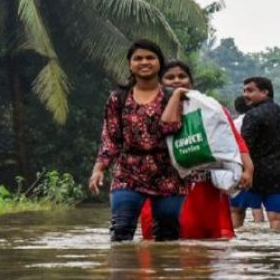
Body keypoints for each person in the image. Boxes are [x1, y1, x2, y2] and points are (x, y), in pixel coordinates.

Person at [139, 60, 254, 239]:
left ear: (191, 82)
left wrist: (248, 169)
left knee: (203, 243)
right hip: (162, 185)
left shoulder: (211, 109)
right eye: (170, 77)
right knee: (160, 239)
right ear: (160, 83)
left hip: (202, 187)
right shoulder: (148, 110)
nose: (177, 80)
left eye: (182, 76)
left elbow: (233, 140)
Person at [88, 39, 188, 242]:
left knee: (167, 234)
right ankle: (123, 273)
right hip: (128, 172)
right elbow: (110, 137)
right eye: (138, 58)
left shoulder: (174, 96)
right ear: (130, 64)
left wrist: (176, 96)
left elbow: (172, 128)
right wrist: (98, 169)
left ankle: (164, 273)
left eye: (150, 57)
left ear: (159, 63)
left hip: (169, 173)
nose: (144, 62)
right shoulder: (118, 98)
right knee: (121, 230)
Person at [233, 77, 280, 230]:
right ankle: (276, 252)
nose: (245, 94)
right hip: (279, 174)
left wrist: (243, 169)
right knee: (276, 219)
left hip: (252, 173)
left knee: (236, 212)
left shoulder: (253, 115)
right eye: (244, 91)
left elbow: (244, 147)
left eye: (250, 90)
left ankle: (235, 251)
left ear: (264, 92)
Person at [230, 95, 265, 223]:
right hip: (258, 166)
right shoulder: (258, 119)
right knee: (256, 205)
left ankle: (237, 231)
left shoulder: (234, 124)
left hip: (238, 167)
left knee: (236, 207)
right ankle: (259, 228)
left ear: (236, 108)